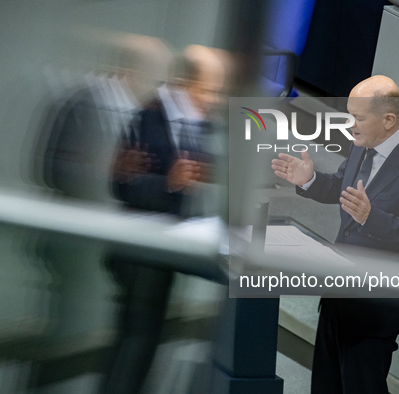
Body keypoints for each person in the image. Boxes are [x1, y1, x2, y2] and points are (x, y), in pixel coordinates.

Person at [271, 75, 399, 393]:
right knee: (325, 386)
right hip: (340, 292)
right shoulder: (363, 145)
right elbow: (342, 187)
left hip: (377, 306)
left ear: (388, 119)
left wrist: (371, 217)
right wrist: (310, 180)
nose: (350, 125)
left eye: (358, 117)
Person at [102, 44, 228, 394]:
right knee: (135, 341)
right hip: (139, 251)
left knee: (146, 340)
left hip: (165, 249)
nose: (214, 100)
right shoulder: (149, 117)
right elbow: (122, 184)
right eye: (210, 90)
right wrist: (170, 184)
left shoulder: (194, 125)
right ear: (187, 83)